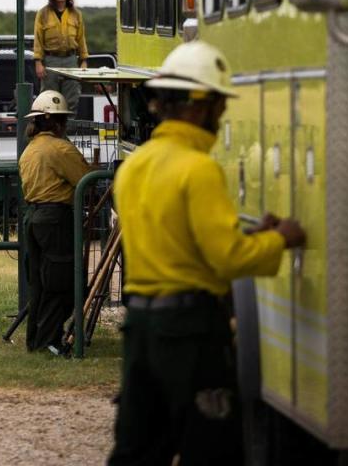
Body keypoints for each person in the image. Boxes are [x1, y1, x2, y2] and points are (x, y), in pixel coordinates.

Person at [108, 42, 307, 465]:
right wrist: (280, 239)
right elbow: (228, 260)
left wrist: (249, 232)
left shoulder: (135, 167)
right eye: (219, 107)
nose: (221, 118)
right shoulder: (198, 169)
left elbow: (176, 239)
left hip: (141, 328)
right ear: (201, 107)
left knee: (137, 450)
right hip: (191, 332)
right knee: (211, 449)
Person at [18, 90, 92, 353]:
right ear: (54, 122)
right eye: (62, 119)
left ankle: (36, 339)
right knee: (62, 282)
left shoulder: (30, 150)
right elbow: (85, 178)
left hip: (33, 218)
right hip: (55, 219)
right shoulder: (60, 149)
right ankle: (49, 340)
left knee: (39, 283)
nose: (65, 125)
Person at [33, 0, 88, 113]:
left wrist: (84, 61)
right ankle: (51, 131)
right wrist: (38, 62)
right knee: (49, 98)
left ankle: (66, 132)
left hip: (70, 60)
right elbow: (38, 39)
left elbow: (81, 39)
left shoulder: (76, 14)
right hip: (50, 60)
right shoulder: (43, 14)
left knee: (71, 97)